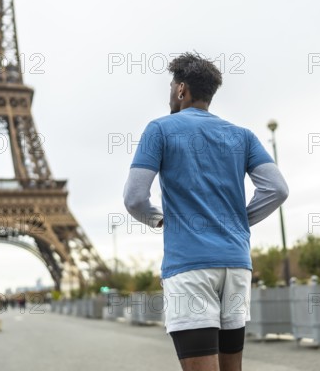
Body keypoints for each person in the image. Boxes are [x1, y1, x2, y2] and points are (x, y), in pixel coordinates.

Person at [124, 52, 289, 371]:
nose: (171, 92)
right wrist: (240, 221)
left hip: (190, 267)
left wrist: (158, 219)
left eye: (172, 86)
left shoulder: (159, 129)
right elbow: (277, 189)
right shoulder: (242, 135)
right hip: (236, 266)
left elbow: (134, 197)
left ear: (182, 89)